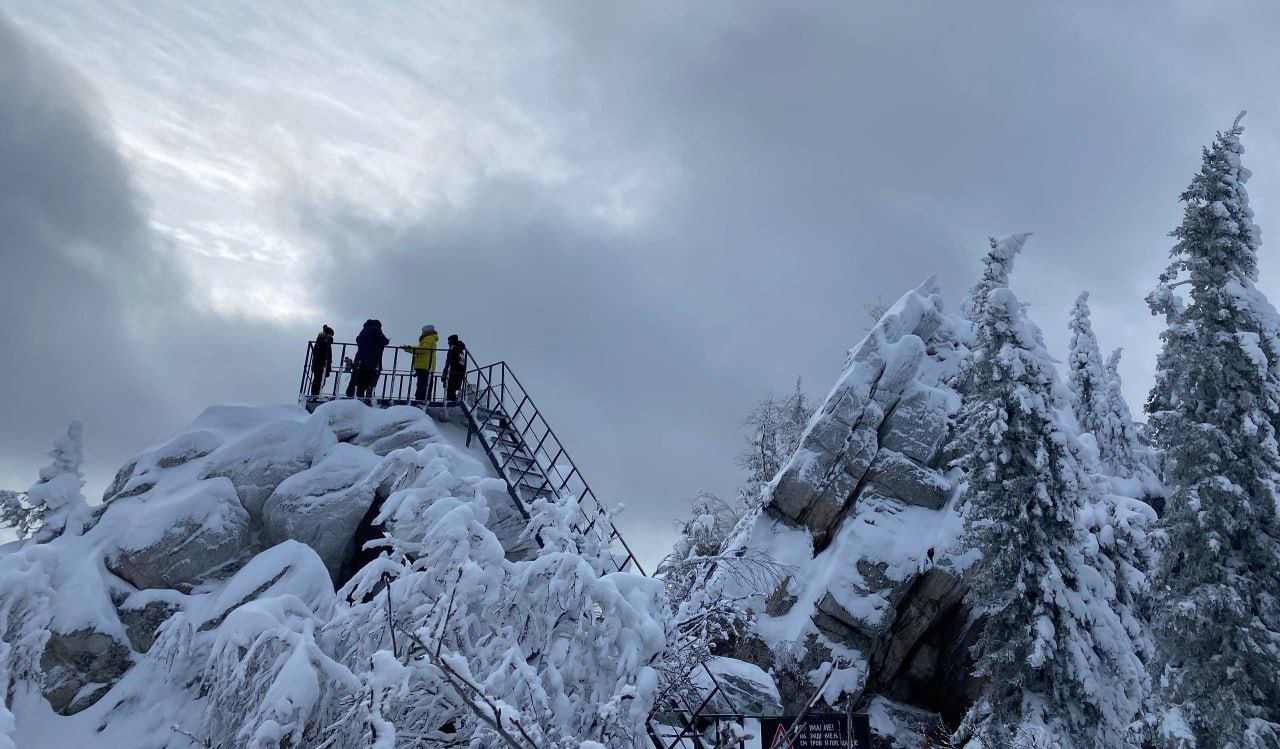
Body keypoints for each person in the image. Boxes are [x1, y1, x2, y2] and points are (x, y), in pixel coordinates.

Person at [353, 319, 389, 403]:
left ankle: (359, 401)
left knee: (361, 384)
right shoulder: (376, 329)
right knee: (371, 382)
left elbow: (358, 339)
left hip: (361, 361)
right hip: (373, 361)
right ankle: (369, 399)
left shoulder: (363, 330)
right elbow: (384, 341)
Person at [401, 324, 439, 403]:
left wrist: (408, 348)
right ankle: (425, 399)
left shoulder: (428, 338)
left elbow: (424, 349)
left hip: (424, 365)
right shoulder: (431, 338)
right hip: (427, 365)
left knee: (422, 385)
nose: (422, 332)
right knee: (426, 385)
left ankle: (420, 401)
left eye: (423, 331)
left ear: (427, 331)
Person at [309, 325, 335, 397]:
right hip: (319, 365)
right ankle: (314, 395)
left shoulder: (326, 342)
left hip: (323, 365)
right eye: (330, 335)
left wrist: (328, 368)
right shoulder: (321, 340)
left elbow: (329, 356)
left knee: (321, 382)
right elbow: (319, 350)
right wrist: (327, 342)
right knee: (317, 381)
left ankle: (317, 394)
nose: (331, 336)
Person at [441, 334, 467, 403]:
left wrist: (444, 373)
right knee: (452, 390)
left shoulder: (454, 349)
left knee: (450, 390)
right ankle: (452, 401)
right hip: (458, 373)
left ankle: (450, 402)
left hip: (453, 373)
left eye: (449, 341)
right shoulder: (460, 350)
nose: (448, 343)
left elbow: (449, 362)